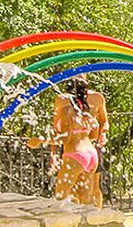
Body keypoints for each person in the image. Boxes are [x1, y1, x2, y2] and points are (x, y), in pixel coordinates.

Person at [30, 76, 108, 206]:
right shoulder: (86, 111)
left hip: (75, 155)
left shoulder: (68, 110)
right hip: (91, 155)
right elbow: (95, 132)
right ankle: (89, 226)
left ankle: (62, 226)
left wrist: (40, 140)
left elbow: (64, 137)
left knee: (60, 199)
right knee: (86, 202)